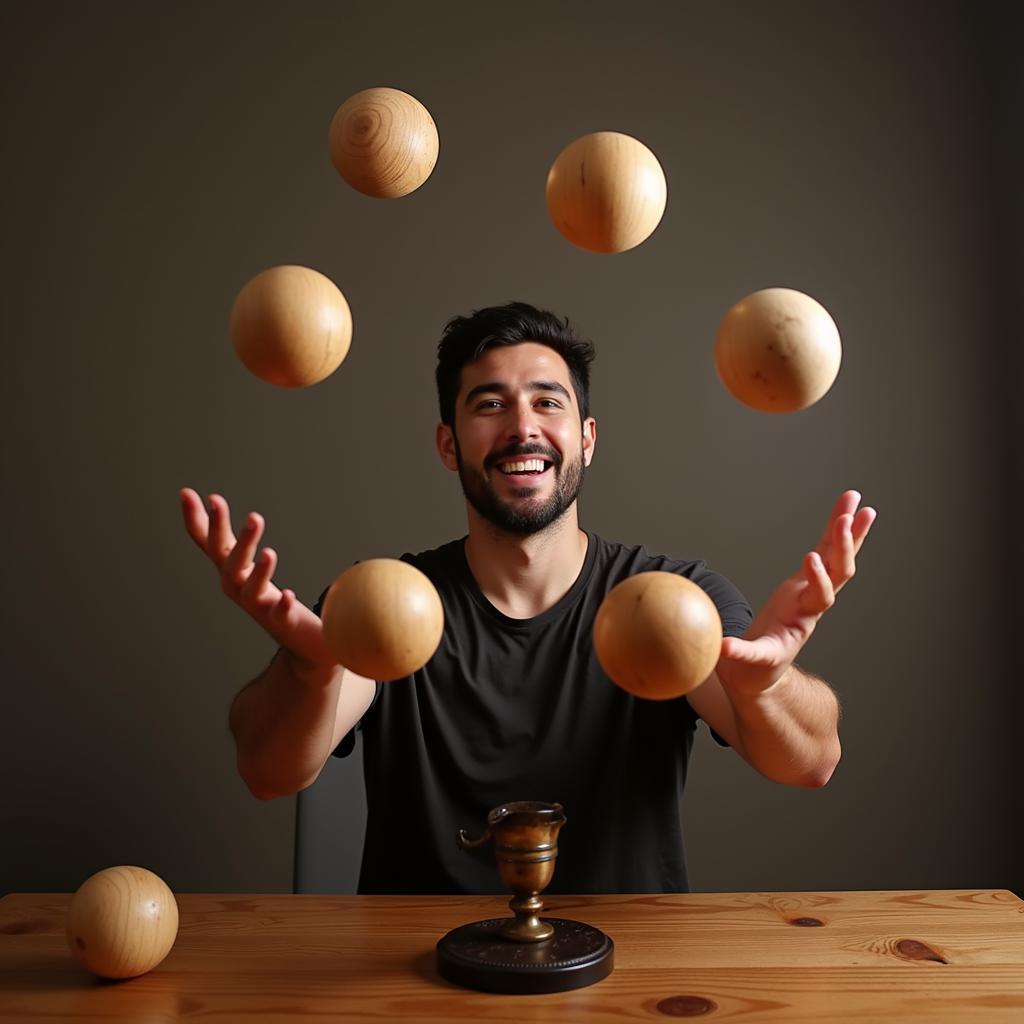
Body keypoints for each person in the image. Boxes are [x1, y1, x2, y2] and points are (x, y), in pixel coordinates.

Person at [181, 301, 876, 895]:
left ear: (587, 438)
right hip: (416, 983)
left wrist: (768, 682)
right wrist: (309, 669)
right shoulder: (385, 601)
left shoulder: (671, 601)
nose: (522, 427)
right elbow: (267, 773)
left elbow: (812, 762)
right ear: (449, 446)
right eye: (490, 404)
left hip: (634, 982)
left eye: (548, 401)